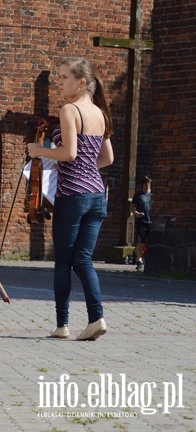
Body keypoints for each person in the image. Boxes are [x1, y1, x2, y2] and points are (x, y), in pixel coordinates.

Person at [27, 57, 114, 342]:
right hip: (96, 194)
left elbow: (69, 153)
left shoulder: (69, 110)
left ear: (81, 82)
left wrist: (38, 150)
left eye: (64, 77)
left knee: (64, 261)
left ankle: (62, 325)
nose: (60, 82)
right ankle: (96, 317)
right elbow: (107, 158)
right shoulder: (101, 113)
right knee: (84, 259)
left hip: (72, 195)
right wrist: (85, 170)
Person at [131, 176, 152, 271]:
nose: (146, 185)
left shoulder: (153, 195)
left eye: (147, 183)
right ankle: (139, 260)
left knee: (150, 242)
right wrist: (137, 214)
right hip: (141, 221)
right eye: (144, 183)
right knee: (140, 242)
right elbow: (132, 208)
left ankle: (149, 260)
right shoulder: (138, 195)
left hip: (151, 221)